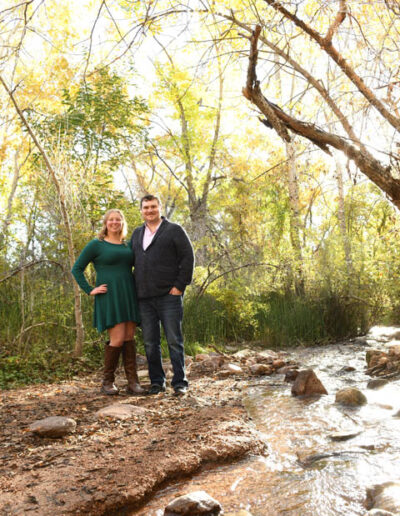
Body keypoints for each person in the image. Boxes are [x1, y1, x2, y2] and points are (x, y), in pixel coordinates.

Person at [71, 209, 145, 396]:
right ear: (105, 223)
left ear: (122, 223)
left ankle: (133, 383)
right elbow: (77, 269)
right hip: (110, 295)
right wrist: (90, 290)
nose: (114, 222)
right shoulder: (97, 245)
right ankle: (107, 382)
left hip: (128, 293)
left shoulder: (127, 245)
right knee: (117, 338)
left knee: (129, 337)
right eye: (111, 220)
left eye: (118, 220)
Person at [130, 194, 194, 395]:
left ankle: (180, 382)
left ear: (160, 208)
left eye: (153, 207)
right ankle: (157, 382)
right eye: (146, 207)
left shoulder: (174, 230)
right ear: (141, 210)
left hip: (169, 296)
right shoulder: (136, 234)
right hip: (144, 298)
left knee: (174, 340)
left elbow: (188, 257)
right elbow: (129, 261)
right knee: (150, 342)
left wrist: (180, 286)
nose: (149, 210)